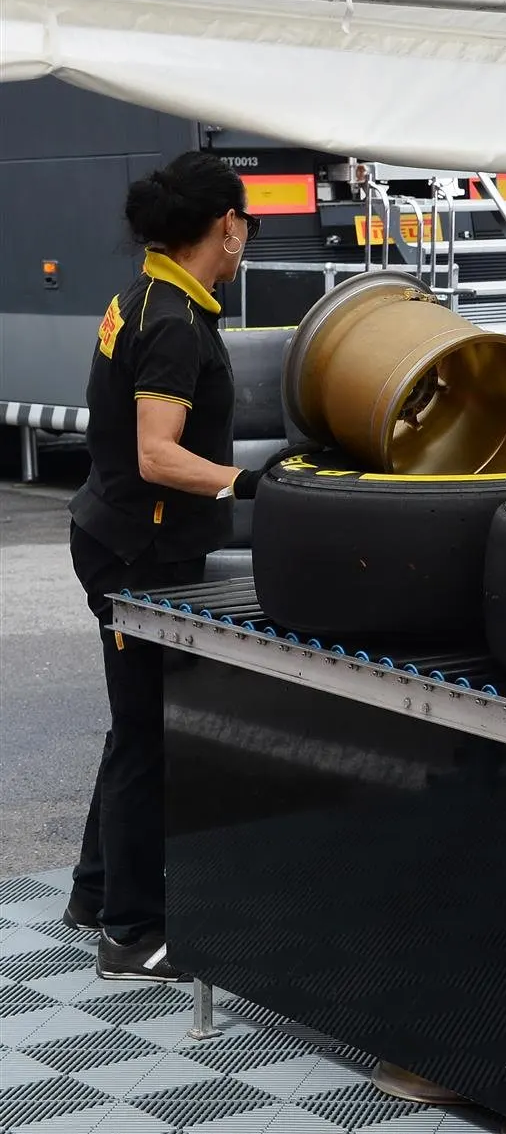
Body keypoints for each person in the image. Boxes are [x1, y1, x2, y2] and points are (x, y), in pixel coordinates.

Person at [66, 151, 270, 983]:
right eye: (244, 223)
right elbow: (157, 453)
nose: (245, 237)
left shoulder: (147, 295)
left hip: (118, 537)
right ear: (227, 225)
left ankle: (93, 893)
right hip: (135, 554)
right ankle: (130, 932)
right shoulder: (176, 324)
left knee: (134, 725)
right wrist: (247, 482)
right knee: (149, 737)